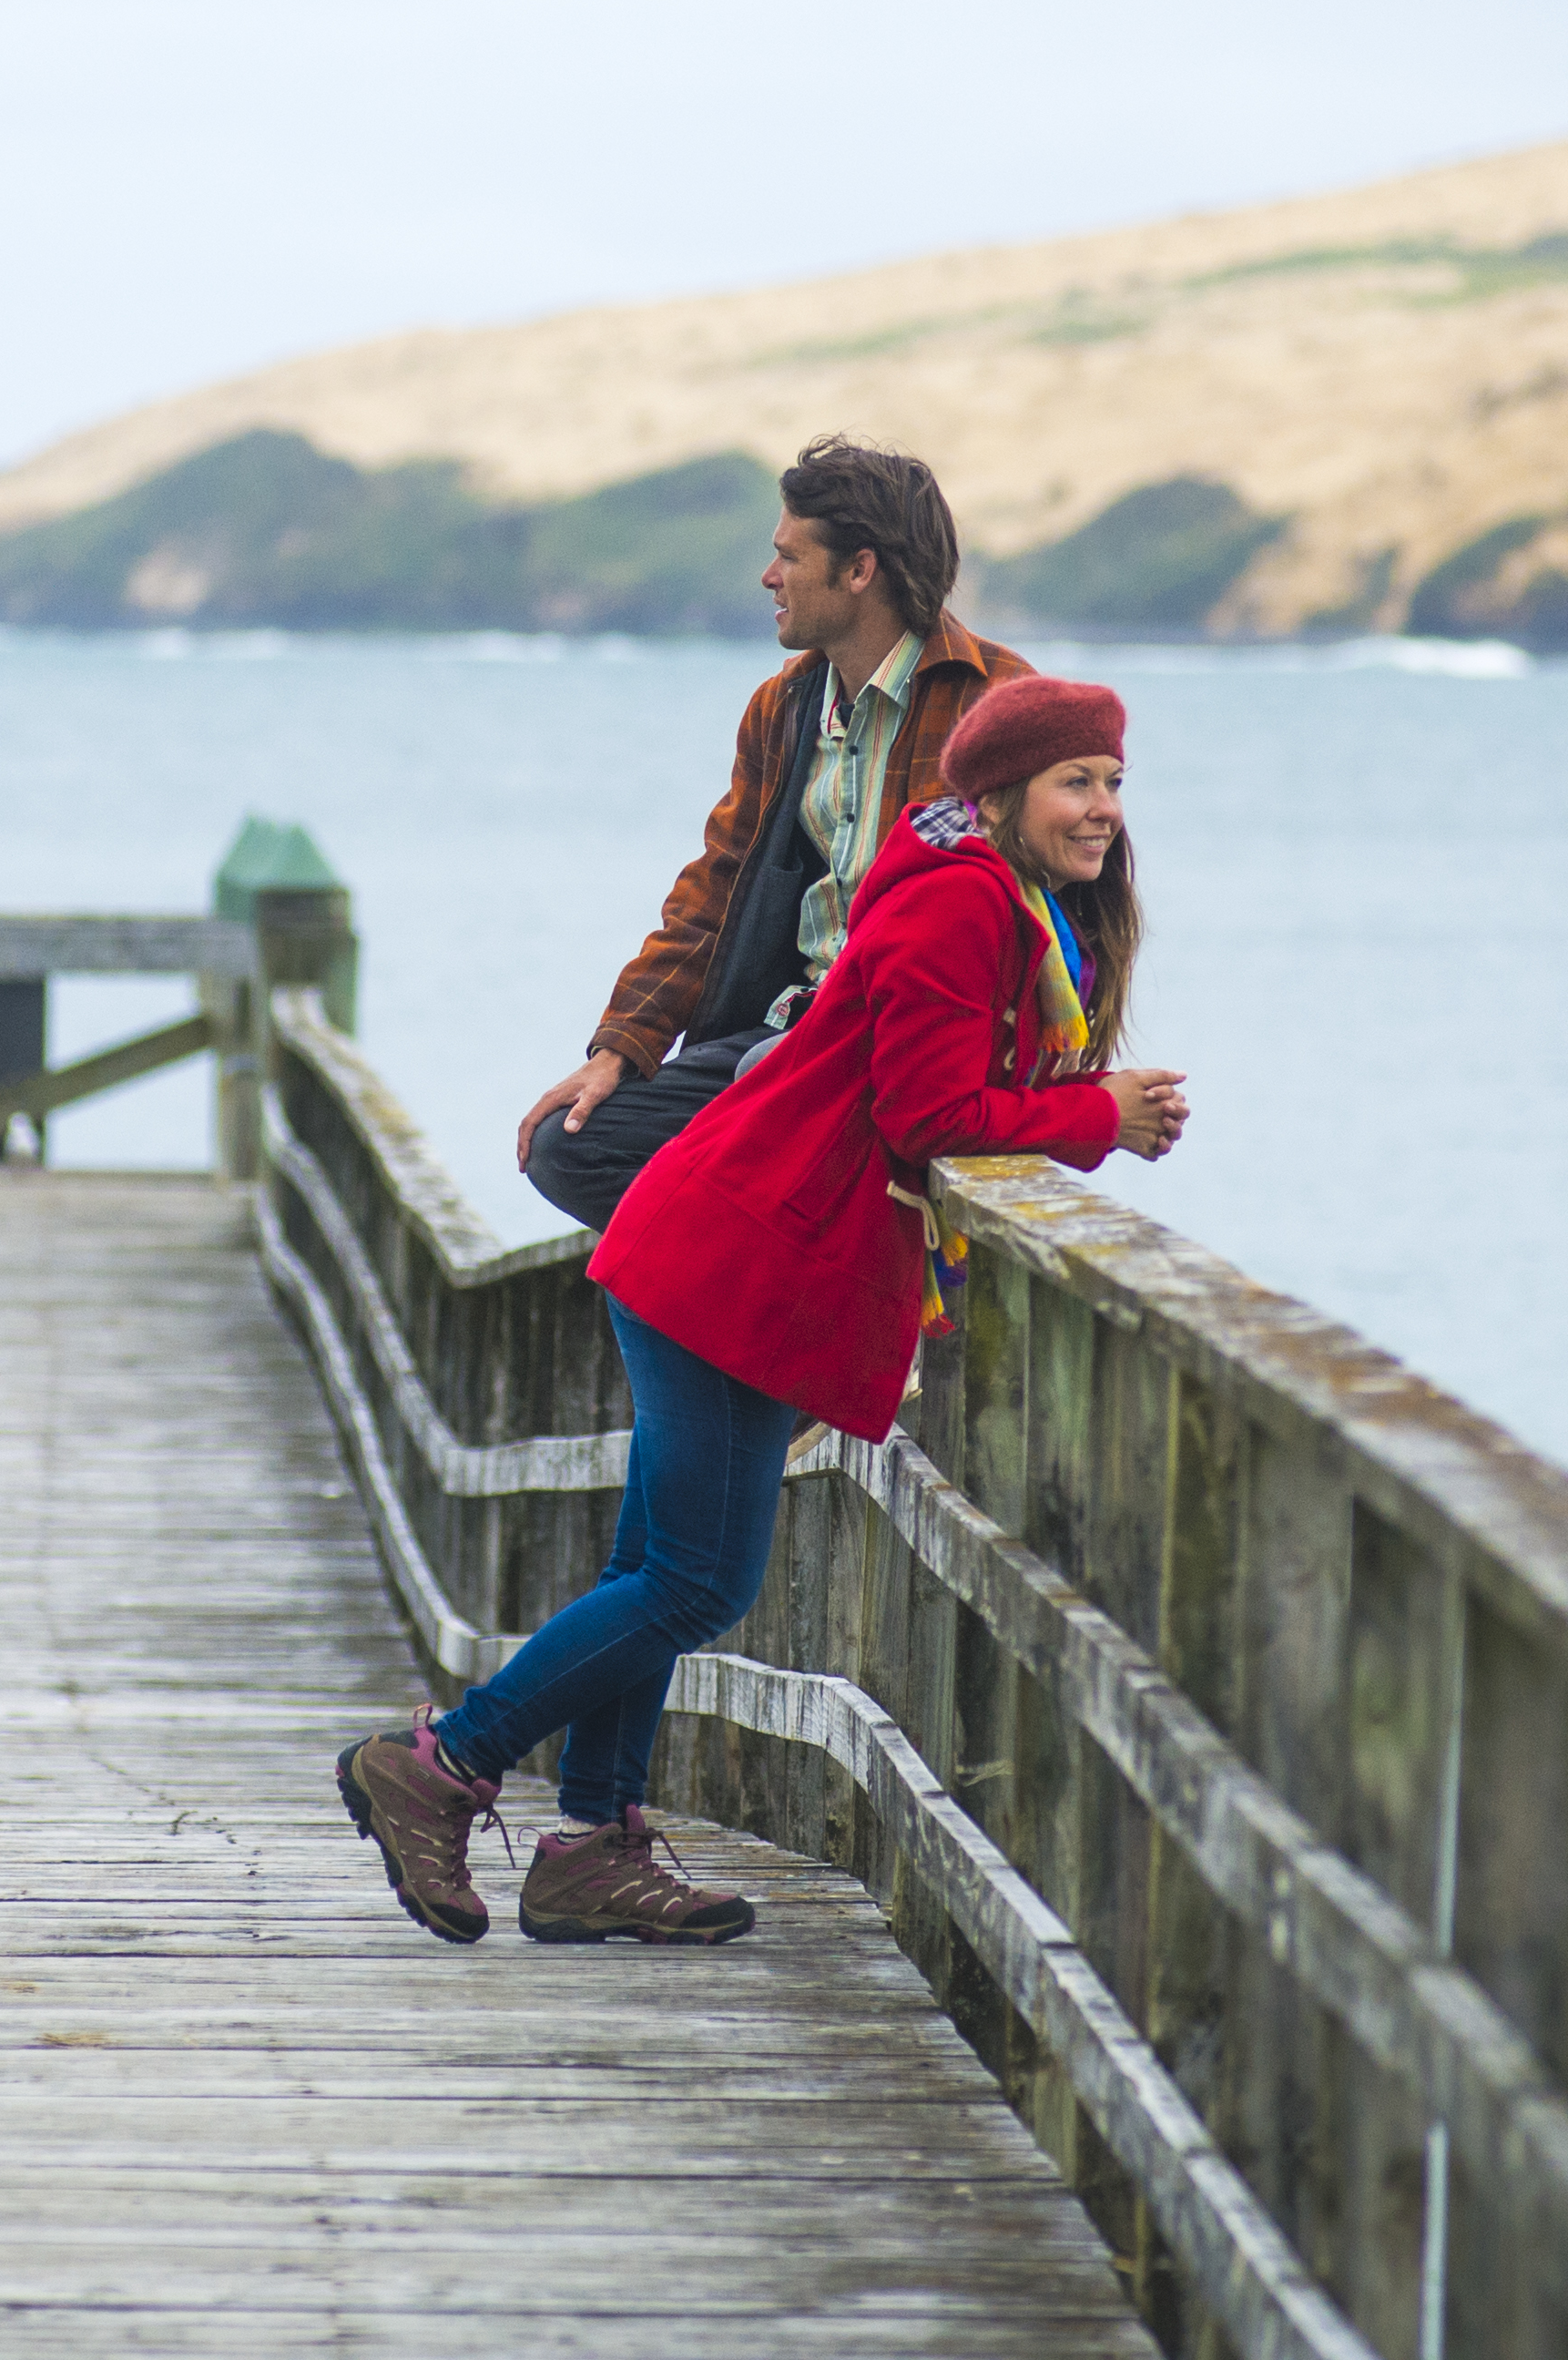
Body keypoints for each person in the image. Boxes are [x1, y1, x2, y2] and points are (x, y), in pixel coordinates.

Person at [341, 675, 1187, 1944]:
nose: (1104, 809)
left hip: (739, 1249)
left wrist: (1090, 1112)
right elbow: (925, 1113)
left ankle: (592, 1845)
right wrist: (1095, 1117)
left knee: (656, 1568)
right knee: (693, 1586)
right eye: (1077, 782)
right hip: (730, 1258)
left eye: (1114, 782)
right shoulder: (961, 906)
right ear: (1000, 797)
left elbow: (930, 1095)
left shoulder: (989, 896)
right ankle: (443, 1763)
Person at [514, 436, 1033, 1233]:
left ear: (860, 571)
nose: (769, 577)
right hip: (789, 1037)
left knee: (757, 1130)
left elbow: (1057, 915)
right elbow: (716, 890)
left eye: (789, 556)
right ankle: (780, 1263)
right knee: (568, 1147)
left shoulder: (997, 704)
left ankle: (776, 1271)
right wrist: (619, 1048)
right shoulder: (783, 707)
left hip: (907, 1055)